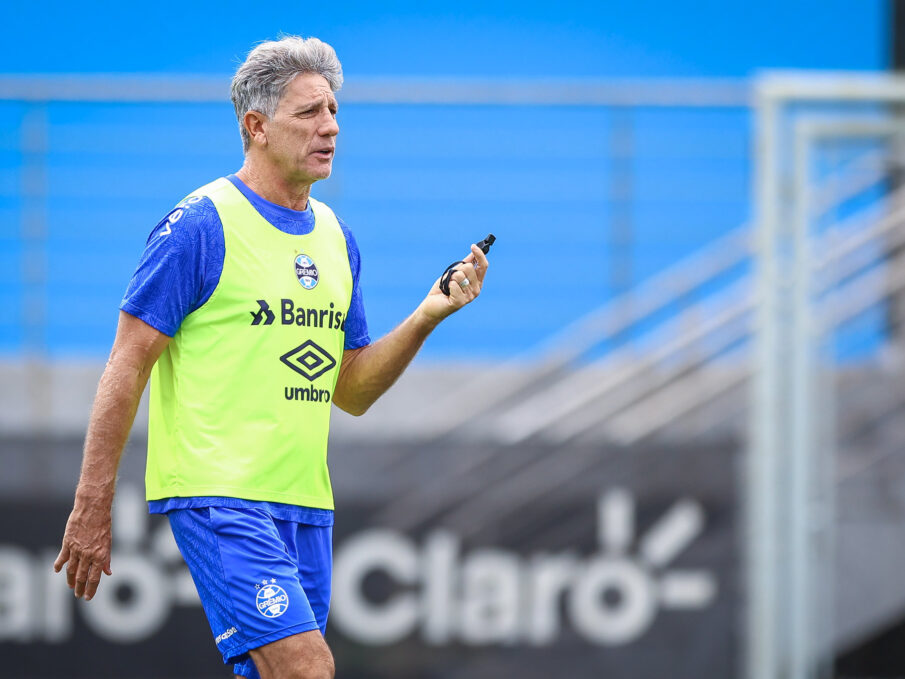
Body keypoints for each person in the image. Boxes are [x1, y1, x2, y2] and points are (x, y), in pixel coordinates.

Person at [53, 36, 488, 679]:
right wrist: (92, 504)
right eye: (309, 112)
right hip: (219, 495)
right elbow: (128, 362)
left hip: (304, 504)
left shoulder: (338, 239)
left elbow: (355, 390)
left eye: (335, 111)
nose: (331, 127)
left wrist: (428, 314)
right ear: (255, 126)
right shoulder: (200, 225)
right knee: (307, 670)